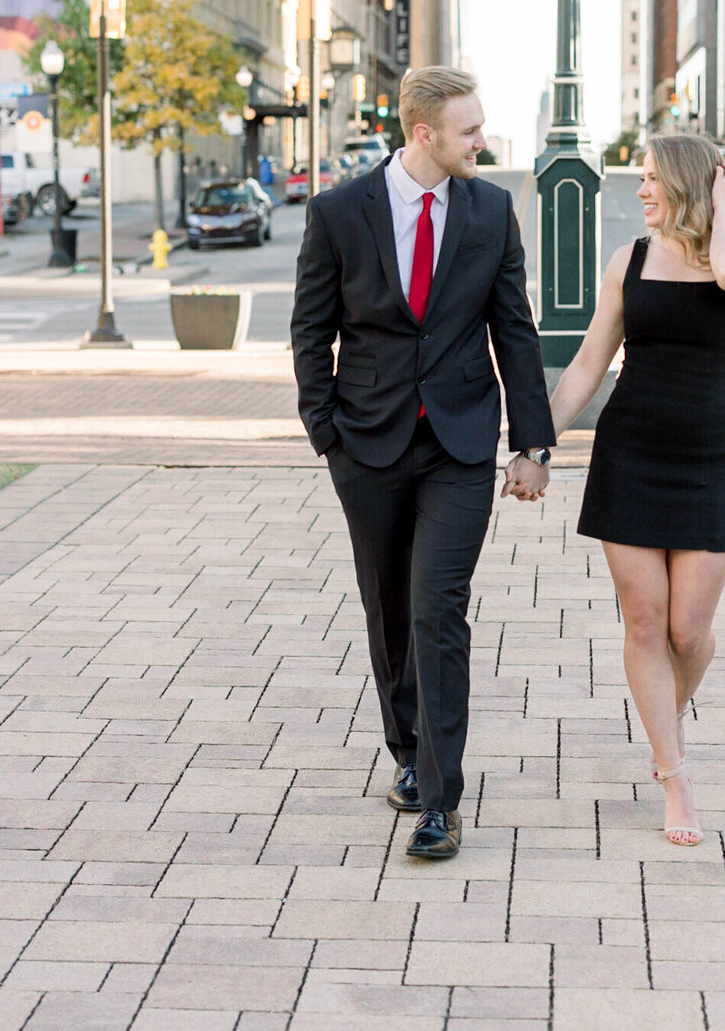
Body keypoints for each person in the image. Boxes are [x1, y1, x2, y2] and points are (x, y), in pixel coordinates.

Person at [291, 66, 554, 861]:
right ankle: (406, 751)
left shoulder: (489, 209)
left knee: (439, 607)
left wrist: (531, 442)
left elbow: (515, 328)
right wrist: (324, 431)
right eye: (469, 129)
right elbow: (311, 328)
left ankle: (440, 799)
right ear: (423, 133)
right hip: (365, 442)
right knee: (389, 609)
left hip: (460, 443)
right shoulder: (339, 212)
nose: (483, 139)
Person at [547, 134, 725, 847]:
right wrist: (538, 442)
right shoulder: (629, 262)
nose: (641, 190)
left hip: (708, 456)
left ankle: (662, 719)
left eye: (654, 178)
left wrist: (723, 205)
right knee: (647, 625)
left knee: (690, 631)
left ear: (692, 184)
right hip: (629, 453)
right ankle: (673, 774)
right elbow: (588, 363)